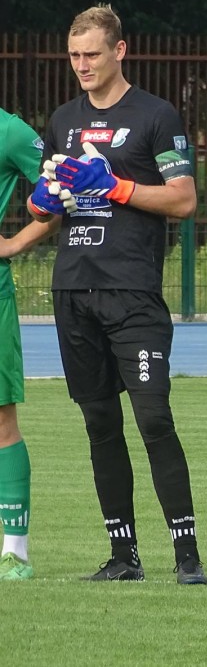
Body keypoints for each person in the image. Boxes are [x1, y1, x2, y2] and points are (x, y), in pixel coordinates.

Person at [10, 4, 206, 583]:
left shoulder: (156, 115)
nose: (82, 65)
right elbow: (49, 204)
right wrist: (35, 213)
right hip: (74, 290)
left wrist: (117, 186)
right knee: (99, 424)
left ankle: (187, 556)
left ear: (120, 51)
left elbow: (183, 199)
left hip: (132, 292)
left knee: (154, 419)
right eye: (74, 55)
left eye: (92, 53)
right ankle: (124, 557)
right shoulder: (64, 120)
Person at [0, 108, 48, 581]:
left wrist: (14, 243)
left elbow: (62, 192)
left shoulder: (10, 131)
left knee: (1, 422)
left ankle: (15, 552)